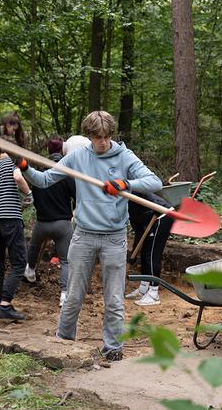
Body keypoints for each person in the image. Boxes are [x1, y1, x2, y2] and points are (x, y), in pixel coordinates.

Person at [19, 111, 162, 361]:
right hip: (83, 236)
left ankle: (113, 347)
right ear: (89, 136)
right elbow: (43, 180)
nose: (103, 142)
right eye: (98, 137)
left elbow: (154, 182)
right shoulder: (77, 157)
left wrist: (127, 184)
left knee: (114, 299)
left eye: (107, 137)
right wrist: (25, 168)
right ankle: (63, 343)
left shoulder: (125, 156)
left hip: (114, 238)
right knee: (73, 296)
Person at [23, 137, 76, 308]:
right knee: (66, 260)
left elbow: (35, 198)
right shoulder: (67, 174)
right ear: (62, 152)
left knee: (34, 246)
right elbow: (77, 197)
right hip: (63, 224)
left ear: (48, 151)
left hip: (42, 223)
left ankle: (30, 271)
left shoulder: (40, 174)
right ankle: (64, 294)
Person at [0, 135, 32, 320]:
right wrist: (28, 194)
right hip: (10, 218)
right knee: (19, 262)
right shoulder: (11, 165)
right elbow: (18, 177)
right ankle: (5, 304)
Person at [125, 192, 174, 306]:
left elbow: (139, 232)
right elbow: (140, 233)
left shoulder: (129, 203)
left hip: (163, 216)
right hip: (153, 218)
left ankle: (153, 294)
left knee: (152, 255)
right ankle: (143, 289)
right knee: (145, 252)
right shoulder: (128, 202)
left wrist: (132, 257)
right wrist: (134, 255)